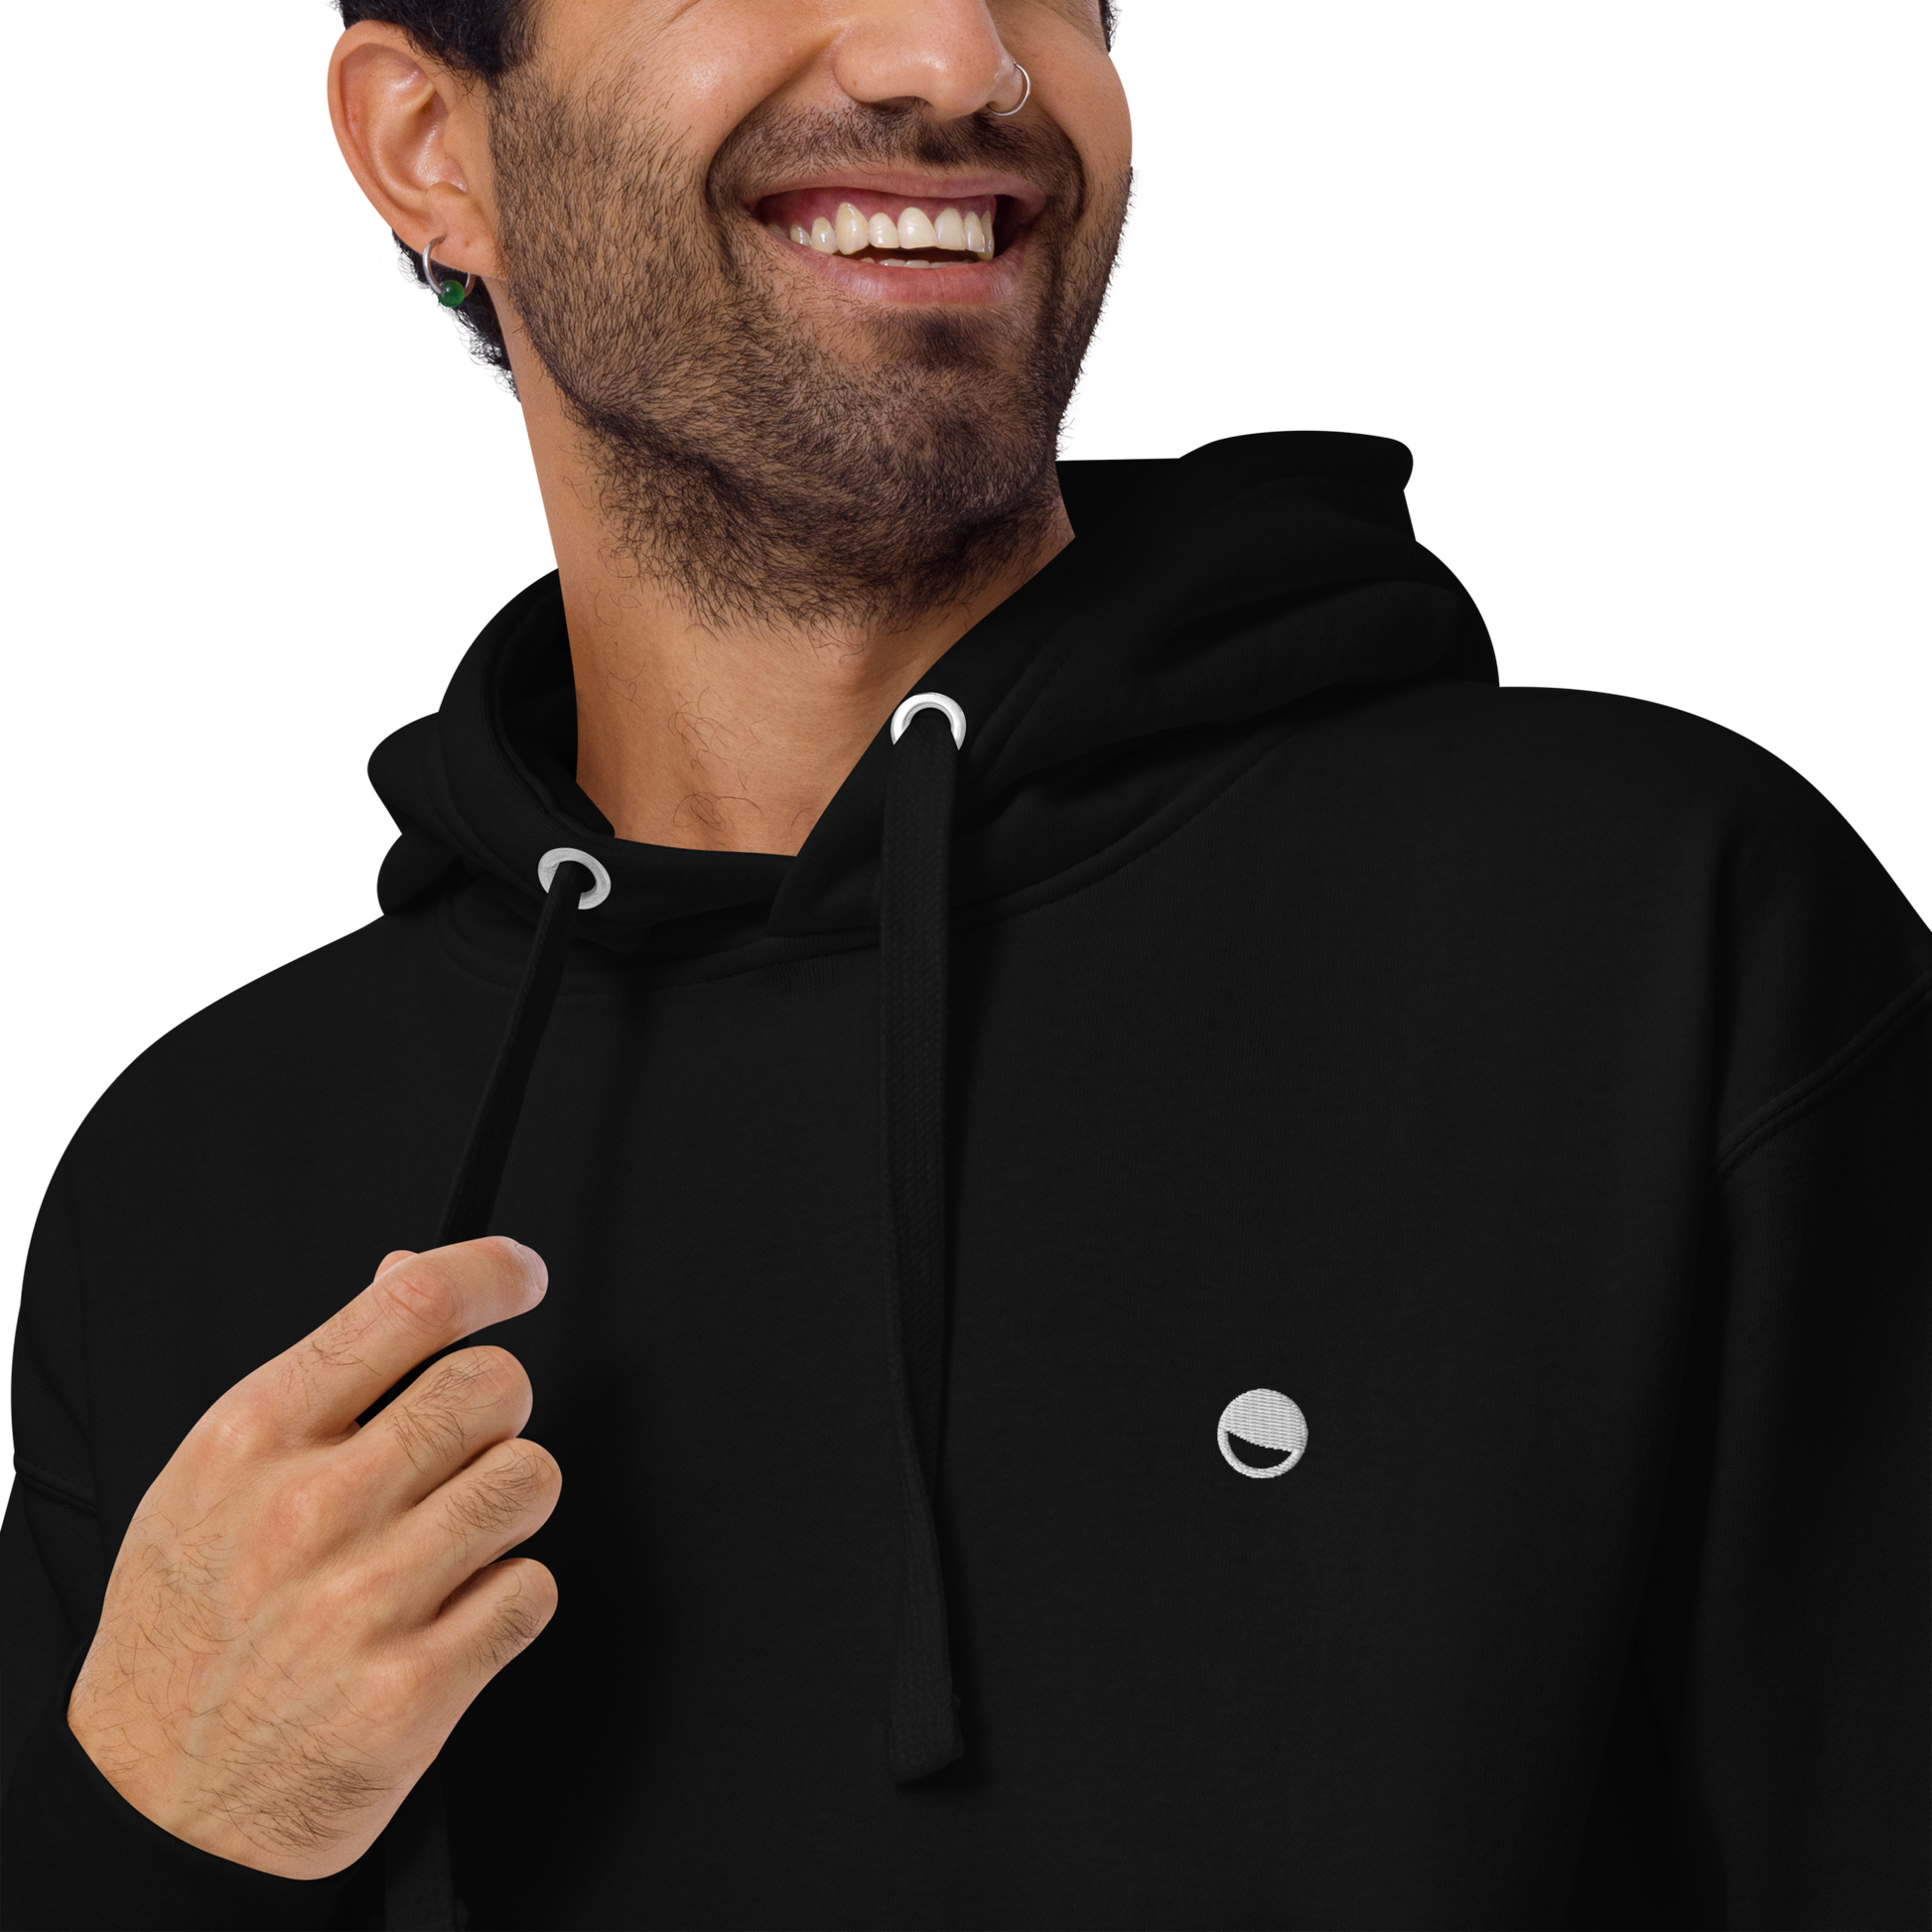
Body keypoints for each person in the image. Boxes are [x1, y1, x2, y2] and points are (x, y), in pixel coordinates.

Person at [3, 0, 1927, 1926]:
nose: (958, 56)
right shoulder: (195, 1180)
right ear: (427, 140)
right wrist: (157, 1834)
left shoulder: (1646, 940)